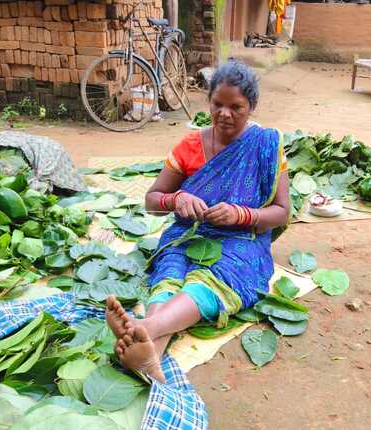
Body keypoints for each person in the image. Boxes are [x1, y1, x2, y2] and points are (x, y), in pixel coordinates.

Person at [106, 61, 291, 383]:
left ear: (252, 107)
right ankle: (150, 353)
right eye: (217, 104)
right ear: (208, 101)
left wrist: (242, 215)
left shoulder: (265, 146)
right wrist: (176, 199)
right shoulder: (190, 146)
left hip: (242, 240)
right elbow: (152, 202)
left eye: (236, 107)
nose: (224, 114)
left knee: (211, 278)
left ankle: (146, 329)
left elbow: (281, 212)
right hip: (188, 233)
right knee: (171, 274)